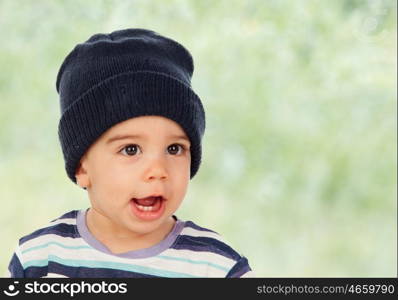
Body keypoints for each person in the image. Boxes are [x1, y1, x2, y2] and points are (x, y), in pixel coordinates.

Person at [7, 28, 254, 278]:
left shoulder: (215, 266)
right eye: (131, 149)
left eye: (174, 148)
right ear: (82, 168)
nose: (158, 170)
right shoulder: (40, 258)